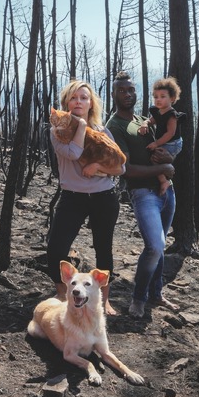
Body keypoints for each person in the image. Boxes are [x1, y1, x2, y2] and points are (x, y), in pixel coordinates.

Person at [106, 71, 181, 318]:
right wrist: (163, 168)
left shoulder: (143, 120)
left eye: (131, 89)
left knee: (159, 247)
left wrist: (168, 161)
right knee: (156, 246)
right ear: (114, 94)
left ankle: (156, 294)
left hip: (167, 192)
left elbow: (166, 147)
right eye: (122, 90)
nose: (128, 94)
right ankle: (138, 298)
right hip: (143, 193)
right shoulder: (114, 126)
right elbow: (124, 169)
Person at [47, 79, 122, 316]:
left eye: (84, 98)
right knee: (56, 248)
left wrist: (98, 165)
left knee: (103, 249)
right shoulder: (58, 131)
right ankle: (62, 294)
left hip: (103, 196)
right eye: (73, 97)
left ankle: (102, 301)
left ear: (91, 104)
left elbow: (121, 168)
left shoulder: (103, 131)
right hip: (73, 197)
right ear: (66, 102)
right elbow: (74, 152)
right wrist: (80, 126)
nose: (78, 101)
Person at [138, 77, 185, 195]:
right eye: (156, 96)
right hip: (164, 141)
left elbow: (171, 133)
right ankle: (163, 178)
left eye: (163, 96)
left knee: (155, 159)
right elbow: (150, 121)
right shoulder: (158, 112)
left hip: (173, 143)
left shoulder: (171, 115)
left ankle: (164, 181)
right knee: (155, 158)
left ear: (172, 98)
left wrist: (156, 143)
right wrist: (144, 124)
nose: (158, 100)